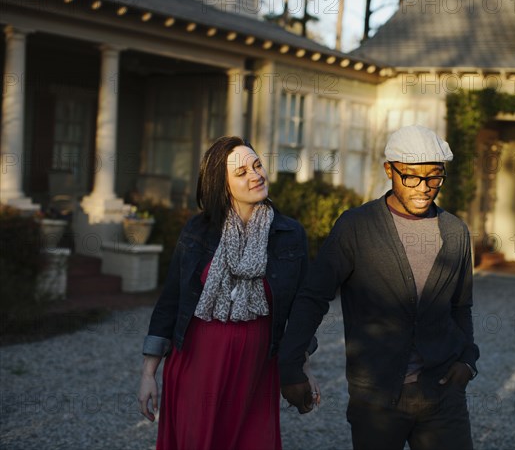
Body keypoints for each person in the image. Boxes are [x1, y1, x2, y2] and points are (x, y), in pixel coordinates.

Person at [278, 125, 479, 450]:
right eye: (411, 176)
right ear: (389, 170)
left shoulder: (456, 232)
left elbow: (461, 306)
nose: (424, 187)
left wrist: (467, 360)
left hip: (443, 395)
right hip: (375, 398)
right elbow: (313, 297)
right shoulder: (356, 227)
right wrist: (290, 366)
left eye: (434, 177)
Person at [138, 136, 319, 450]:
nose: (255, 175)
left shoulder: (290, 235)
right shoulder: (197, 231)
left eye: (257, 165)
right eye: (241, 172)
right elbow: (170, 301)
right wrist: (148, 373)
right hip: (198, 367)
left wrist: (303, 368)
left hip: (257, 371)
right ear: (222, 187)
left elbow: (300, 313)